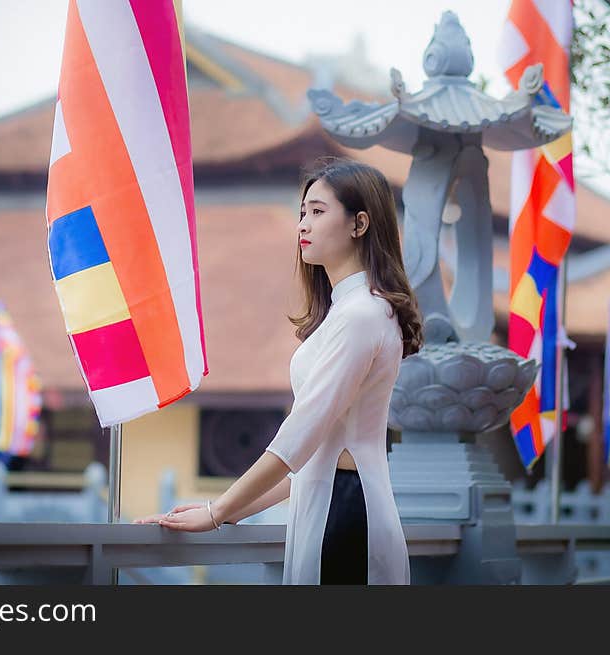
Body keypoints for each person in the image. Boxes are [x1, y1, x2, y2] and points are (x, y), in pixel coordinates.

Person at [133, 157, 423, 585]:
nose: (303, 224)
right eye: (302, 212)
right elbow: (305, 462)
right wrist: (226, 510)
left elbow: (297, 438)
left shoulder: (362, 314)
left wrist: (218, 513)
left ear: (359, 224)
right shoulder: (351, 312)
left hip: (344, 516)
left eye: (318, 212)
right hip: (328, 505)